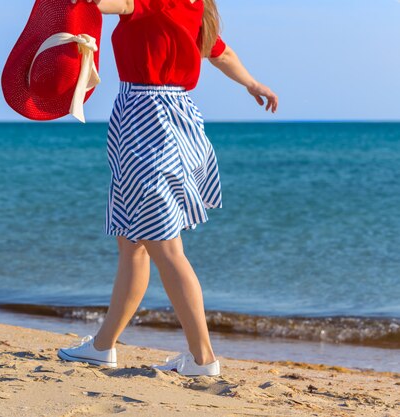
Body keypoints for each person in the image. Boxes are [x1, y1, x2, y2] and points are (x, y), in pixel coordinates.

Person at [58, 0, 278, 376]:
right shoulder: (193, 5)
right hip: (175, 118)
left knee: (166, 248)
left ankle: (202, 359)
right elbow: (220, 53)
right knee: (133, 245)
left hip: (147, 123)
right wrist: (252, 83)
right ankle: (102, 347)